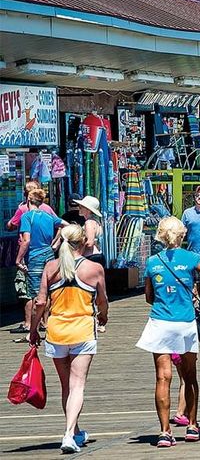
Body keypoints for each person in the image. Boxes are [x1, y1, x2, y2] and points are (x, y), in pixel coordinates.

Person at [136, 217, 200, 447]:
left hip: (161, 322)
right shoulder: (192, 258)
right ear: (182, 236)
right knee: (189, 376)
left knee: (163, 377)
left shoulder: (153, 262)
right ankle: (192, 426)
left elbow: (149, 297)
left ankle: (164, 431)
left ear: (161, 237)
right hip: (185, 322)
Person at [29, 224, 107, 454]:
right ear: (83, 241)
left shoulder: (51, 267)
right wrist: (103, 317)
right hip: (82, 330)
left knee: (67, 386)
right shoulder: (93, 268)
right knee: (78, 385)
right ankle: (69, 433)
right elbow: (102, 300)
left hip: (56, 332)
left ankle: (75, 431)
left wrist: (33, 330)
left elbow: (40, 303)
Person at [15, 189, 68, 339]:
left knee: (35, 295)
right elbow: (67, 225)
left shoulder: (27, 217)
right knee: (48, 291)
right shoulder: (49, 216)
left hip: (35, 256)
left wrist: (18, 259)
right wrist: (56, 242)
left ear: (28, 201)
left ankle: (34, 330)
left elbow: (26, 241)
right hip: (49, 255)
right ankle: (48, 324)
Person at [74, 196, 104, 265]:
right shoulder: (95, 221)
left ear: (88, 209)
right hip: (95, 255)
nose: (79, 208)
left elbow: (89, 243)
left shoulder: (89, 222)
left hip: (91, 257)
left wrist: (78, 252)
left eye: (81, 206)